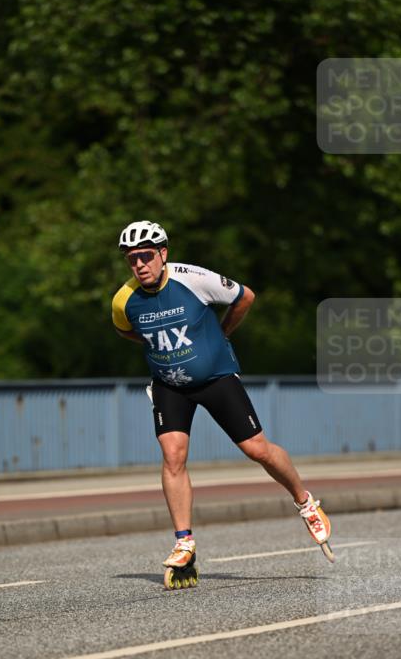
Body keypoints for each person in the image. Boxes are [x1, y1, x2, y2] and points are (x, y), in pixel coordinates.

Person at [112, 220, 333, 585]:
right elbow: (125, 330)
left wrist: (222, 333)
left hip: (216, 377)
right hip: (170, 384)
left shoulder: (192, 279)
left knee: (257, 449)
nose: (139, 264)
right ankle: (184, 542)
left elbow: (245, 296)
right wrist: (164, 349)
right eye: (131, 259)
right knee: (172, 456)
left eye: (146, 256)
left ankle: (306, 501)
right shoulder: (124, 299)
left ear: (163, 254)